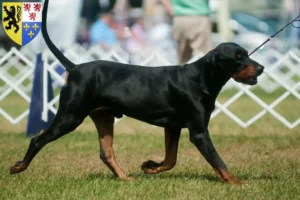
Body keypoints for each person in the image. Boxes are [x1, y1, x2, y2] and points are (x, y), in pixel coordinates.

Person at [161, 0, 212, 65]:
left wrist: (172, 11)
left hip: (180, 17)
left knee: (182, 60)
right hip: (200, 16)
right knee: (204, 56)